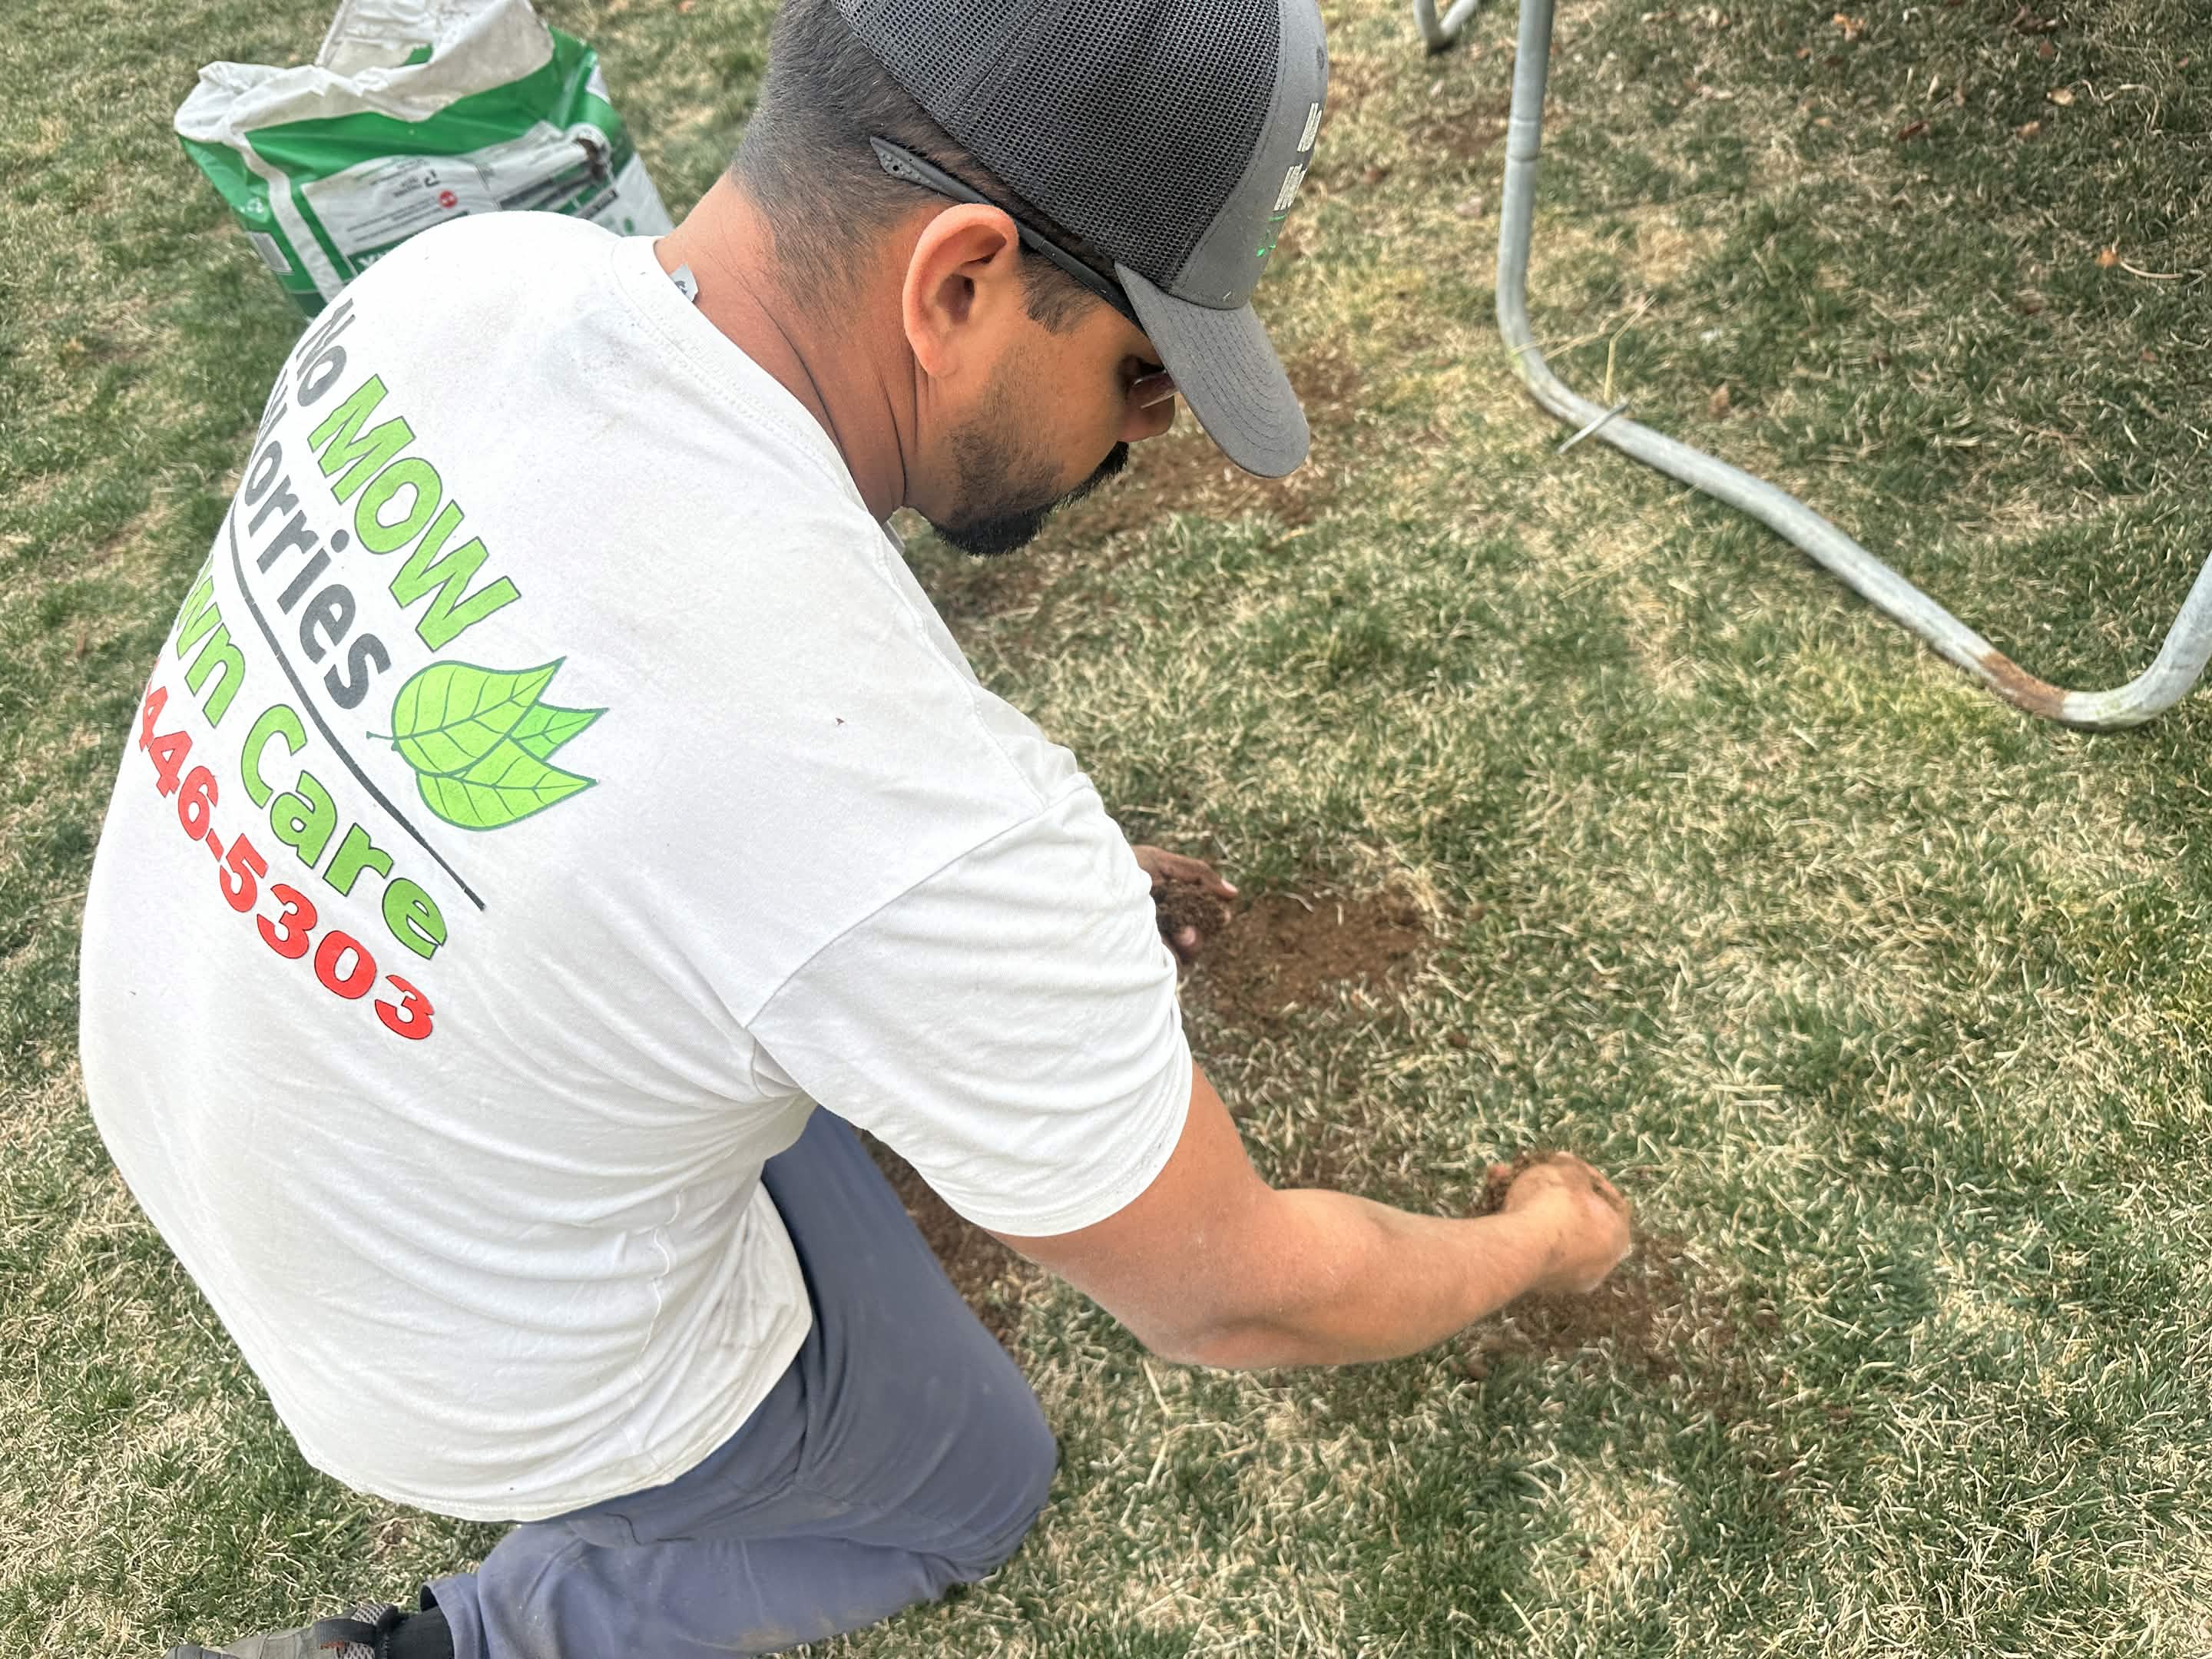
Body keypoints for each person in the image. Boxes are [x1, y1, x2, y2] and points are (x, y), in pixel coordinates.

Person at [79, 0, 1634, 1653]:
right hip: (468, 1354)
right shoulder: (912, 816)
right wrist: (1544, 1241)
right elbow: (1240, 1294)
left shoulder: (461, 286)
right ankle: (470, 1639)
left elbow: (694, 789)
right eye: (1142, 371)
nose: (1147, 434)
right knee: (977, 1476)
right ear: (959, 283)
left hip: (221, 1094)